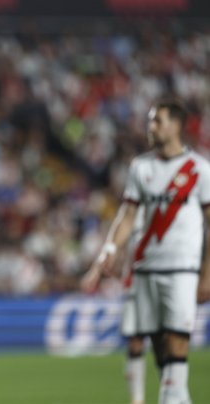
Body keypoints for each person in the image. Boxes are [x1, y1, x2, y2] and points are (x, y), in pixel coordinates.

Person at [81, 99, 210, 404]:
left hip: (182, 269)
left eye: (158, 121)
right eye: (151, 121)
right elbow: (126, 216)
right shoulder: (141, 168)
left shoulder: (200, 170)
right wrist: (108, 252)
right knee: (161, 350)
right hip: (144, 269)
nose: (150, 127)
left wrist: (207, 273)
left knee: (177, 344)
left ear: (177, 126)